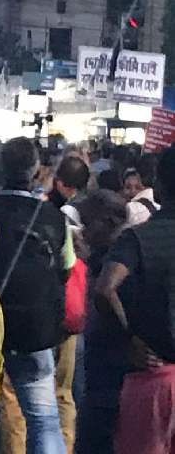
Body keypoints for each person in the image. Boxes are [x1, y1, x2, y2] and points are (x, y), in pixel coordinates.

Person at [0, 137, 72, 454]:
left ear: (1, 167)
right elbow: (66, 268)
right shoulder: (54, 217)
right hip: (34, 326)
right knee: (43, 419)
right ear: (36, 169)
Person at [96, 145, 175, 454]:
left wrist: (128, 337)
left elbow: (105, 289)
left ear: (159, 186)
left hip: (153, 379)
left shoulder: (138, 238)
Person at [73, 190, 129, 454]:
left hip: (110, 377)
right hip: (101, 374)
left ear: (108, 222)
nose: (82, 231)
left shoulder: (119, 262)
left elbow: (105, 292)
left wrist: (130, 336)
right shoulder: (104, 258)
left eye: (88, 223)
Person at [124, 154, 160, 226]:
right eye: (128, 187)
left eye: (137, 187)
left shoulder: (130, 209)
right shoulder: (162, 207)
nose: (132, 191)